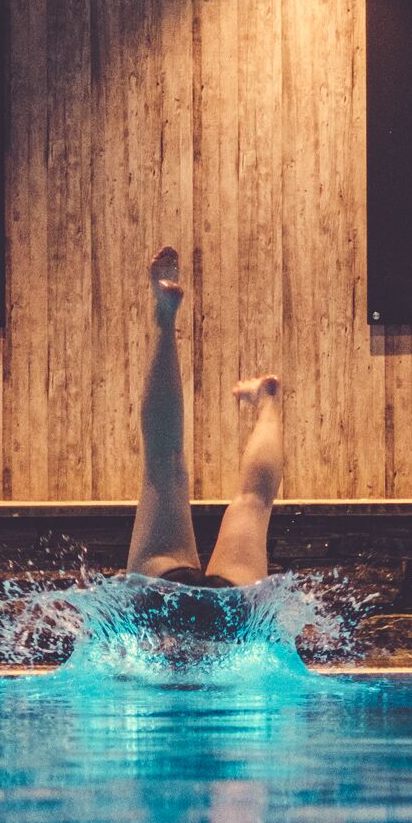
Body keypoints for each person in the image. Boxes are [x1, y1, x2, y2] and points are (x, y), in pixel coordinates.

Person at [126, 245, 283, 590]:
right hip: (175, 603)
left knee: (169, 467)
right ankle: (267, 400)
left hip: (211, 609)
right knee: (249, 502)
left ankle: (167, 320)